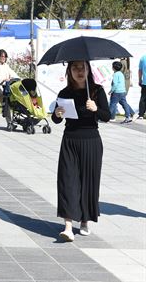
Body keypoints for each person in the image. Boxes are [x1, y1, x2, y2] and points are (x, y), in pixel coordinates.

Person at [51, 61, 110, 242]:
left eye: (82, 68)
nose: (79, 71)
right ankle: (68, 226)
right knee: (67, 180)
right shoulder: (64, 93)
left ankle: (85, 220)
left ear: (87, 70)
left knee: (88, 182)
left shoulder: (97, 91)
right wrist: (58, 113)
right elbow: (56, 120)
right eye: (75, 68)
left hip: (91, 142)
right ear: (69, 71)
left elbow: (107, 116)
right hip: (70, 140)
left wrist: (95, 108)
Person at [137, 53, 146, 119]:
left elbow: (140, 70)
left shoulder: (143, 58)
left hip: (145, 82)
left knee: (143, 98)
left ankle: (141, 114)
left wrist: (140, 80)